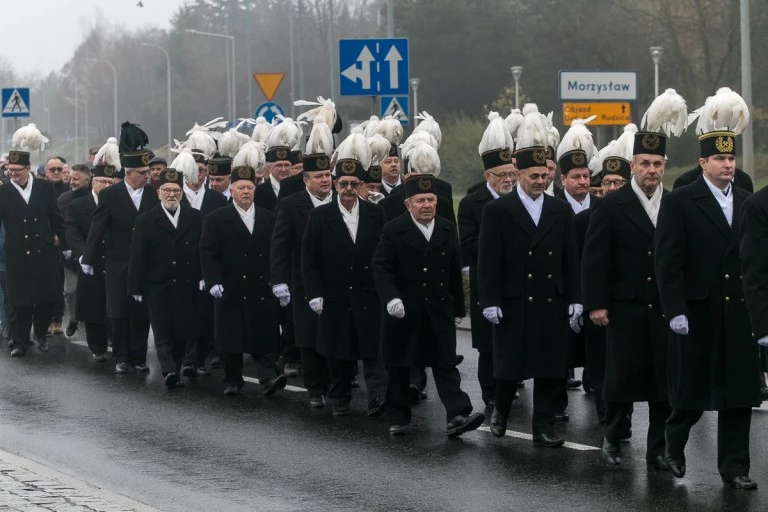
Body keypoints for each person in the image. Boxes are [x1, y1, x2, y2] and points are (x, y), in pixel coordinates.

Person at [655, 88, 760, 490]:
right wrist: (675, 308)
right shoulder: (681, 201)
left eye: (731, 157)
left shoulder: (748, 202)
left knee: (738, 394)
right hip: (697, 311)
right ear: (703, 163)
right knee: (692, 392)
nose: (728, 164)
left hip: (738, 313)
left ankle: (734, 468)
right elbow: (668, 260)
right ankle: (673, 443)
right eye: (720, 158)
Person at [582, 103, 682, 468]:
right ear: (633, 165)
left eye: (657, 164)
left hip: (663, 307)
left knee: (662, 383)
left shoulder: (674, 204)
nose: (651, 171)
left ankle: (657, 449)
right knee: (621, 379)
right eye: (645, 164)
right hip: (624, 306)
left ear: (664, 167)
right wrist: (596, 303)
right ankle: (612, 438)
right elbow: (594, 259)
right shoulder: (611, 205)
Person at [479, 106, 581, 447]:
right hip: (514, 298)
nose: (541, 181)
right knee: (510, 366)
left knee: (551, 368)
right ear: (517, 173)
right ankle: (502, 410)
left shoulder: (560, 209)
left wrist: (576, 298)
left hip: (551, 297)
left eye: (545, 176)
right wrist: (489, 300)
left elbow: (571, 259)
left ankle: (543, 427)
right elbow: (488, 261)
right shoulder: (497, 211)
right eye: (533, 176)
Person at [374, 173, 483, 436]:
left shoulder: (445, 228)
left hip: (437, 308)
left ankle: (458, 413)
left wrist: (458, 308)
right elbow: (381, 267)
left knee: (445, 362)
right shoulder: (393, 229)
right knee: (400, 364)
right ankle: (399, 417)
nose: (426, 205)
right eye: (420, 200)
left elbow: (453, 270)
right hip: (403, 310)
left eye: (431, 199)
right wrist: (391, 298)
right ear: (408, 204)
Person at [301, 133, 388, 417]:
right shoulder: (320, 216)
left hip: (368, 293)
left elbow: (385, 255)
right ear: (336, 185)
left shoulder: (376, 214)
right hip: (335, 294)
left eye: (354, 184)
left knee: (373, 349)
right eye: (343, 183)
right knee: (339, 350)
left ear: (362, 185)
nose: (349, 188)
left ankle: (378, 396)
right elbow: (309, 259)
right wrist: (314, 293)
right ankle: (340, 397)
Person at [199, 164, 286, 396]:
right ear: (233, 191)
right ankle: (232, 379)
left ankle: (268, 376)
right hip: (230, 284)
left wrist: (277, 280)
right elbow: (207, 251)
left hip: (259, 284)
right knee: (231, 335)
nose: (246, 191)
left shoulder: (269, 217)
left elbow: (277, 251)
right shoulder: (217, 218)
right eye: (241, 187)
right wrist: (212, 279)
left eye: (250, 187)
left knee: (262, 332)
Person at [81, 124, 157, 374]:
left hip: (145, 263)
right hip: (117, 262)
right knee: (119, 311)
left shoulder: (154, 194)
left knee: (141, 312)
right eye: (141, 172)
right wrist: (89, 258)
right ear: (128, 172)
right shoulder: (110, 195)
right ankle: (122, 356)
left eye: (148, 171)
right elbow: (97, 228)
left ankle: (139, 356)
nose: (147, 176)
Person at [271, 121, 334, 408]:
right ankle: (316, 388)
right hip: (302, 280)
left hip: (334, 278)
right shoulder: (290, 204)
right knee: (308, 336)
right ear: (305, 179)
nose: (325, 180)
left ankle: (337, 382)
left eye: (327, 174)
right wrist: (279, 279)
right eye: (318, 176)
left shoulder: (340, 203)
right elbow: (280, 244)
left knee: (334, 332)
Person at [457, 112, 516, 411]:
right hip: (487, 283)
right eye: (502, 175)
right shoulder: (471, 204)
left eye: (511, 174)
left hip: (516, 282)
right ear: (488, 176)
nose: (508, 180)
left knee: (513, 341)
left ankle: (510, 385)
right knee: (489, 346)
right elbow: (469, 244)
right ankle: (490, 394)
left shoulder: (520, 198)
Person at [128, 166, 203, 389]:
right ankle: (169, 370)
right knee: (162, 330)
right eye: (167, 190)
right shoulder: (146, 220)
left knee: (182, 330)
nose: (172, 195)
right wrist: (135, 287)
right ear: (159, 192)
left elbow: (201, 250)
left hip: (186, 281)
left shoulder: (195, 217)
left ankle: (177, 367)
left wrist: (203, 276)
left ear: (182, 193)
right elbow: (138, 255)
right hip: (157, 283)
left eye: (176, 191)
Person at [0, 125, 63, 356]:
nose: (12, 174)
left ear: (28, 168)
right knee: (20, 302)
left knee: (48, 297)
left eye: (17, 170)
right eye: (9, 170)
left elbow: (56, 217)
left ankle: (40, 334)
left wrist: (61, 240)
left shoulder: (45, 188)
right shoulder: (3, 192)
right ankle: (20, 341)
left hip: (43, 250)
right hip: (17, 253)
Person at [179, 152, 228, 375]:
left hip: (208, 262)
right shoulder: (175, 196)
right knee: (185, 312)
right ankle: (188, 359)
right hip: (181, 264)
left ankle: (203, 355)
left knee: (206, 313)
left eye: (202, 170)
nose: (198, 174)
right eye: (194, 169)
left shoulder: (217, 199)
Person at [65, 162, 117, 360]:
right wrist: (82, 255)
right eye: (101, 181)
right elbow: (71, 231)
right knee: (93, 306)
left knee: (114, 304)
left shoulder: (117, 203)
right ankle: (97, 346)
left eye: (109, 182)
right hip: (90, 262)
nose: (105, 186)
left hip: (112, 260)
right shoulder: (77, 206)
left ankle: (115, 340)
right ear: (93, 182)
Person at [57, 164, 92, 338]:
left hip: (92, 251)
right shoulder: (64, 199)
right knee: (70, 291)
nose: (72, 182)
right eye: (71, 178)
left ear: (88, 179)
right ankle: (73, 318)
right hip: (69, 252)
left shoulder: (96, 196)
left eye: (76, 179)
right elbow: (59, 224)